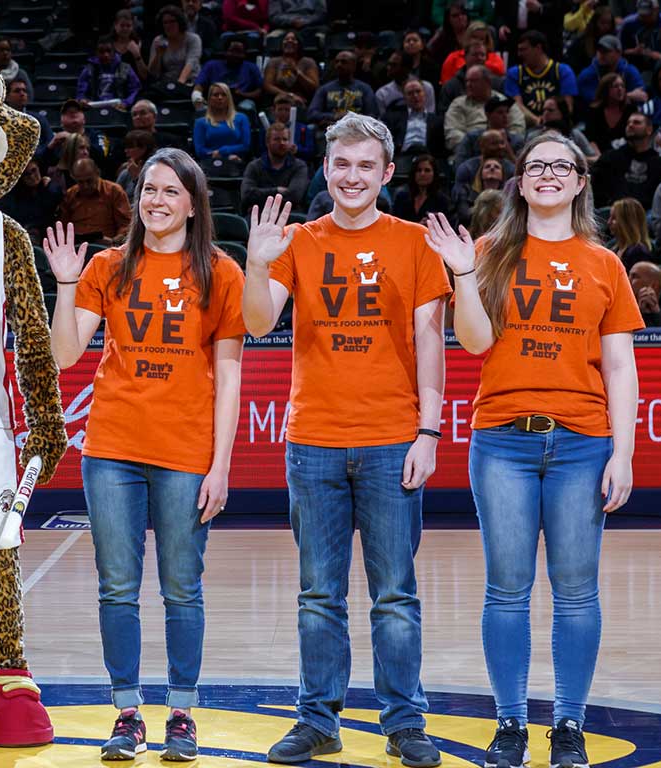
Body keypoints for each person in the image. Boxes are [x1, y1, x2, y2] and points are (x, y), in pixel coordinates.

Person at [423, 131, 642, 768]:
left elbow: (621, 368)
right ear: (520, 182)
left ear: (579, 182)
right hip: (502, 442)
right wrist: (463, 273)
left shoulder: (604, 264)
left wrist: (623, 452)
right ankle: (511, 723)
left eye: (560, 166)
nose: (547, 174)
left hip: (582, 441)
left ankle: (568, 724)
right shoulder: (486, 252)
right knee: (507, 589)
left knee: (577, 591)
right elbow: (473, 342)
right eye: (535, 165)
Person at [245, 113, 447, 767]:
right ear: (325, 169)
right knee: (318, 594)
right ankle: (317, 719)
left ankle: (404, 722)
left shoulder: (415, 243)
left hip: (393, 440)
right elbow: (257, 322)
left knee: (395, 592)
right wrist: (255, 261)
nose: (352, 176)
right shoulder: (298, 241)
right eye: (341, 164)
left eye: (366, 165)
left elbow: (429, 340)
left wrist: (429, 432)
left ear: (387, 172)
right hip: (314, 441)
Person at [44, 147, 243, 762]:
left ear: (192, 203)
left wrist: (221, 465)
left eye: (171, 191)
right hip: (112, 448)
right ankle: (127, 713)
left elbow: (230, 376)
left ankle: (181, 713)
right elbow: (63, 354)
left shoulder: (220, 272)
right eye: (149, 189)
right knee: (117, 587)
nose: (157, 200)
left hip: (186, 452)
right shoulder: (106, 266)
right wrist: (65, 284)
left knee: (182, 588)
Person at [592, 113, 661, 207]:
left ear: (649, 130)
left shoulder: (660, 164)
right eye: (628, 123)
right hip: (612, 213)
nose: (630, 125)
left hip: (646, 216)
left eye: (636, 122)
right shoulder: (611, 157)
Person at [505, 31, 577, 125]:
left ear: (538, 48)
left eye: (523, 50)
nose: (519, 54)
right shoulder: (515, 73)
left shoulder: (562, 70)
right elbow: (516, 106)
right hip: (527, 127)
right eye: (519, 50)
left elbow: (568, 107)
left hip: (558, 124)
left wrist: (550, 122)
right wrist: (537, 120)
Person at [447, 68, 527, 149]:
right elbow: (453, 134)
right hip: (470, 150)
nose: (468, 84)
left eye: (473, 81)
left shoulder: (504, 102)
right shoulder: (458, 104)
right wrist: (482, 144)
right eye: (467, 81)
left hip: (504, 149)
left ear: (487, 82)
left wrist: (500, 143)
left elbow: (518, 128)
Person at [58, 158, 132, 245]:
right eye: (80, 182)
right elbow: (62, 226)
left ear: (97, 173)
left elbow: (126, 225)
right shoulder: (70, 195)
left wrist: (114, 241)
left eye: (89, 181)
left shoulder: (114, 191)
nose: (85, 186)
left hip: (106, 247)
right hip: (76, 248)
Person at [242, 122, 310, 210]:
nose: (281, 143)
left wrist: (260, 195)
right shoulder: (254, 166)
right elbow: (246, 195)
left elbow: (295, 196)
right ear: (267, 142)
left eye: (285, 139)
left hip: (291, 216)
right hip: (259, 215)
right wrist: (277, 190)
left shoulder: (299, 166)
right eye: (276, 139)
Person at [308, 50, 379, 126]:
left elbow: (372, 115)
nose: (339, 65)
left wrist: (351, 118)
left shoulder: (365, 89)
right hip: (330, 129)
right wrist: (334, 116)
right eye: (337, 62)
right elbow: (312, 113)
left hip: (357, 130)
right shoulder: (324, 89)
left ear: (354, 65)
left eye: (343, 62)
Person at [194, 39, 264, 112]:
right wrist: (197, 98)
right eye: (232, 51)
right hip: (215, 101)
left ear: (245, 54)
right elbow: (198, 86)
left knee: (247, 107)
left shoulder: (251, 68)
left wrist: (242, 94)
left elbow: (259, 92)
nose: (235, 55)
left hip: (241, 101)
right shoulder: (211, 65)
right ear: (225, 52)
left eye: (239, 52)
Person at [619, 0, 661, 74]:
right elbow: (617, 51)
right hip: (636, 68)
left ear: (656, 10)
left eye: (649, 15)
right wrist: (634, 51)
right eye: (642, 15)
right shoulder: (628, 24)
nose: (645, 18)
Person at [384, 79, 445, 159]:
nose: (415, 96)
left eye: (418, 91)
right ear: (404, 97)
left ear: (424, 94)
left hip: (428, 159)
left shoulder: (438, 121)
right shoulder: (393, 119)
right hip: (402, 157)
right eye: (410, 93)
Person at [193, 83, 251, 163]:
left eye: (224, 95)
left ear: (229, 98)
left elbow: (245, 145)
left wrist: (223, 151)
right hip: (210, 163)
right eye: (216, 95)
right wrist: (219, 155)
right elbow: (199, 150)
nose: (220, 97)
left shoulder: (242, 118)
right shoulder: (200, 122)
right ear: (209, 99)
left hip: (236, 161)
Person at [146, 5, 202, 88]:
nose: (168, 25)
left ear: (180, 22)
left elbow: (190, 64)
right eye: (165, 22)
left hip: (189, 82)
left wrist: (179, 85)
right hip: (166, 84)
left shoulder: (193, 39)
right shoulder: (158, 41)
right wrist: (158, 55)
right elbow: (153, 73)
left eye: (172, 21)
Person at [78, 38, 141, 111]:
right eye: (101, 52)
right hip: (94, 109)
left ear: (114, 52)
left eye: (109, 51)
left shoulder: (126, 68)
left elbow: (135, 89)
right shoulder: (88, 69)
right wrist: (82, 100)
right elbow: (81, 92)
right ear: (96, 53)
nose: (106, 55)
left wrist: (126, 103)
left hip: (119, 109)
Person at [263, 30, 320, 104]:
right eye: (286, 39)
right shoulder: (274, 62)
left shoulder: (308, 62)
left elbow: (315, 87)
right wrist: (290, 96)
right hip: (279, 102)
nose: (289, 41)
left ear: (299, 44)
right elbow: (267, 86)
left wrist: (297, 72)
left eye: (293, 39)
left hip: (302, 101)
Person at [393, 155, 452, 224]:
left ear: (434, 174)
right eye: (418, 170)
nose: (422, 174)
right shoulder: (402, 197)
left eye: (427, 170)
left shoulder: (442, 201)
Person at [609, 197, 654, 269]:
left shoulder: (639, 253)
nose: (609, 222)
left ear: (627, 222)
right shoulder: (614, 249)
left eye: (614, 218)